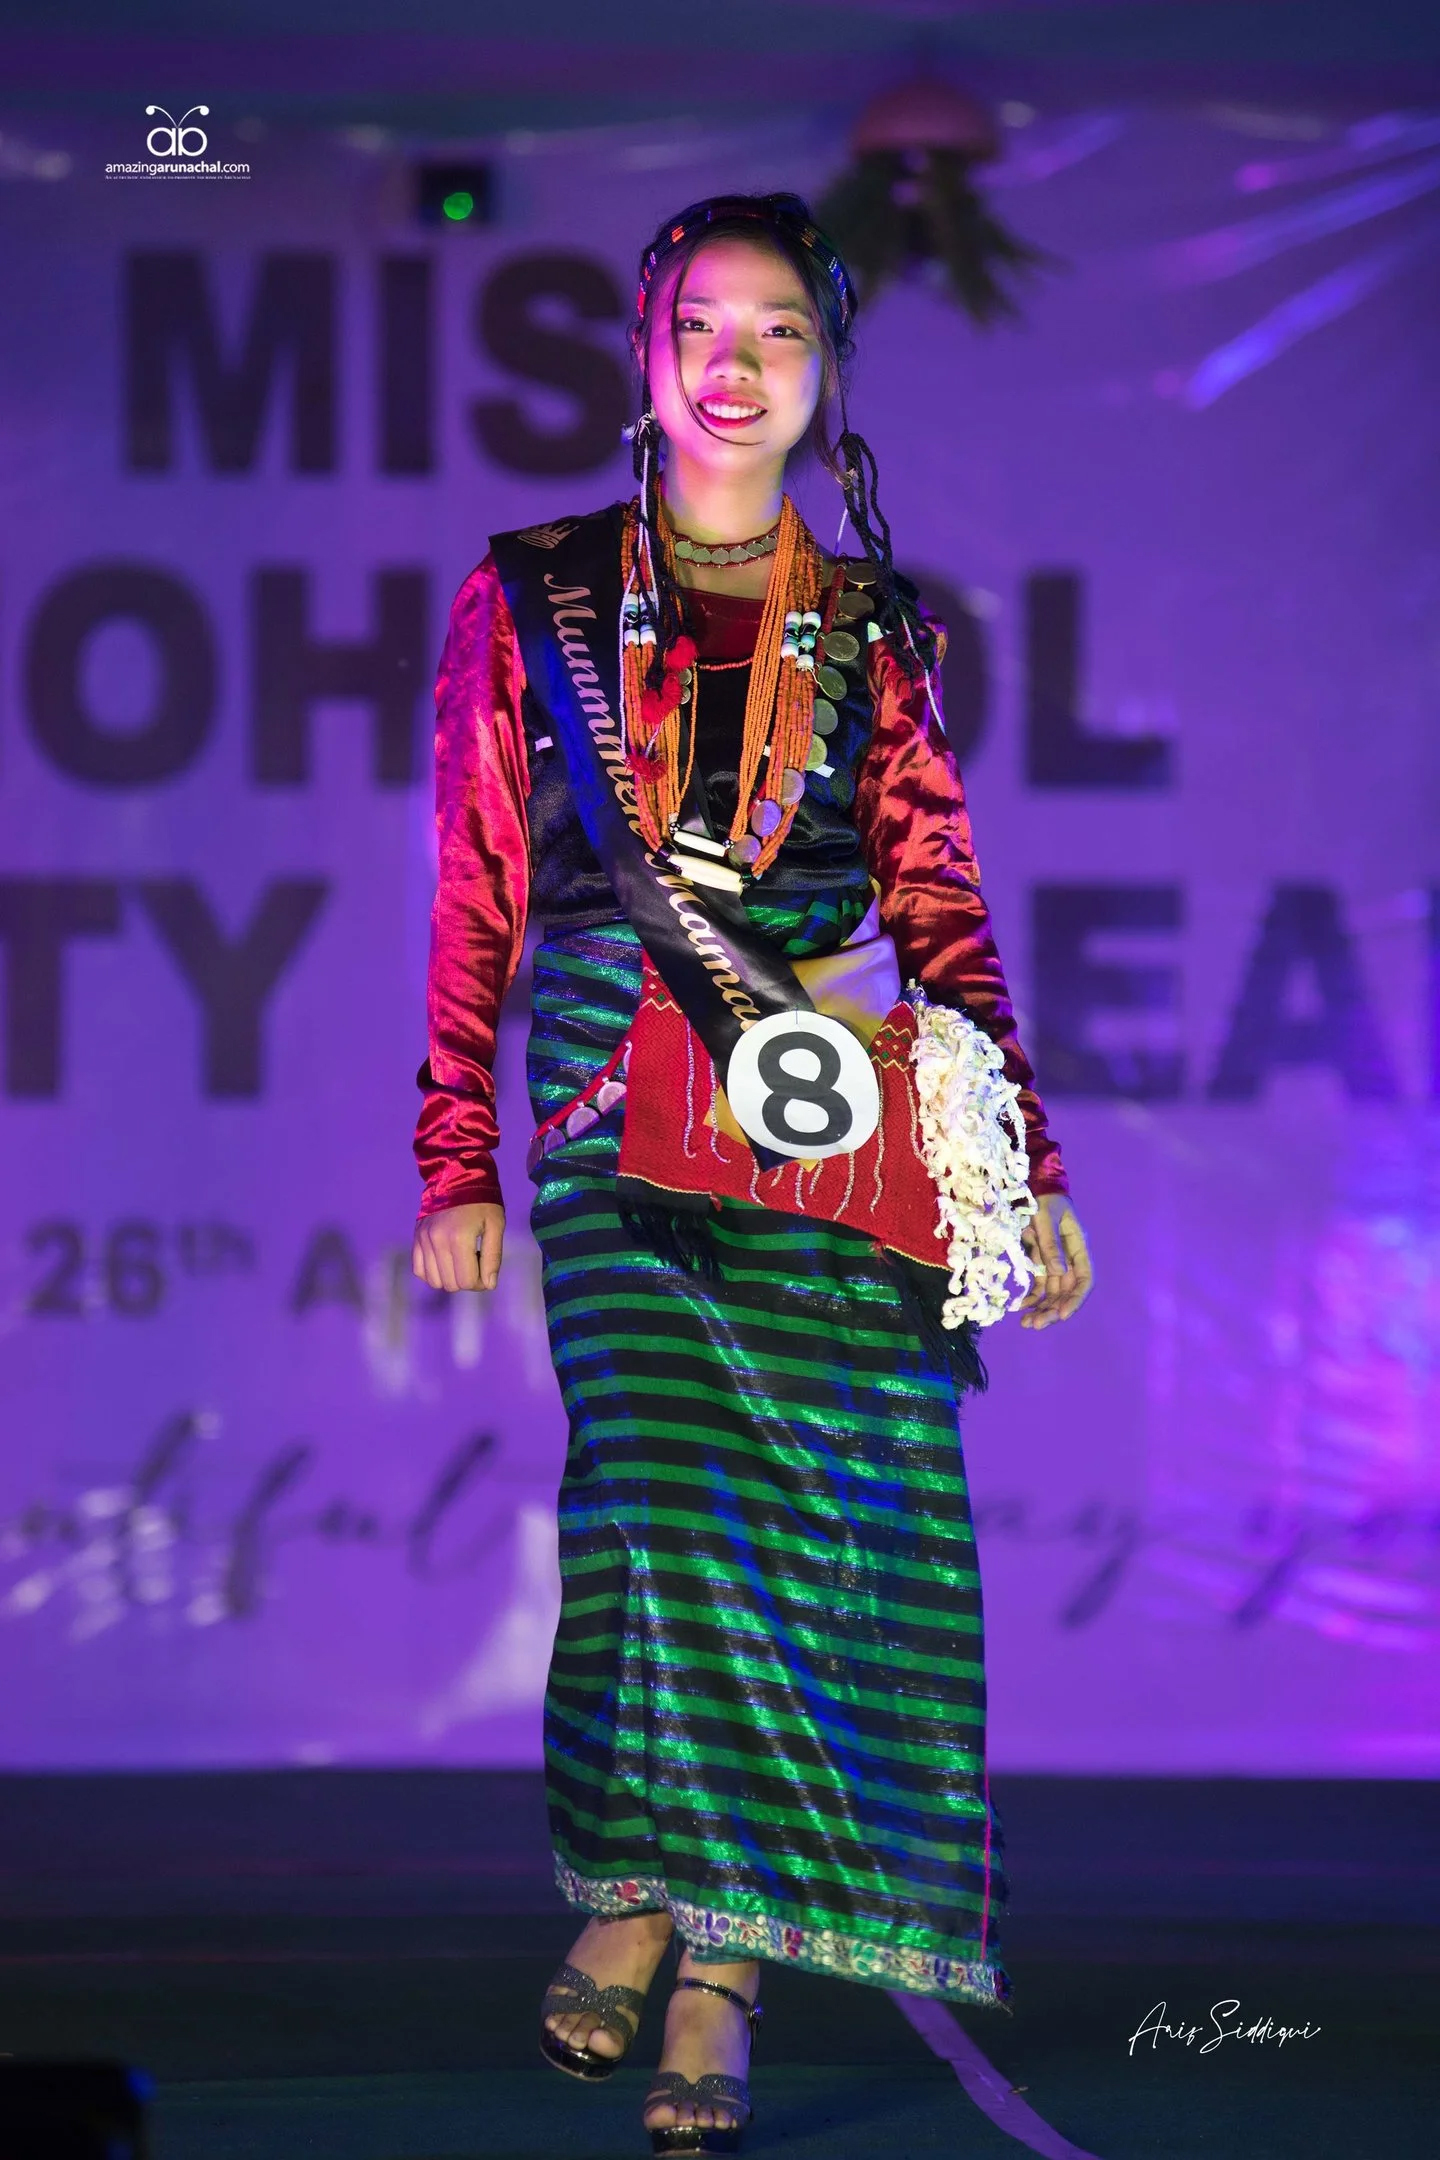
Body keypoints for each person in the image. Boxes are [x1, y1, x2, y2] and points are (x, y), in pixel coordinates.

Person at [411, 191, 1092, 2158]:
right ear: (645, 351)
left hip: (820, 1110)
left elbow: (941, 914)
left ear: (829, 371)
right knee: (666, 1501)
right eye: (702, 324)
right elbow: (476, 893)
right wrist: (453, 1152)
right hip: (606, 1104)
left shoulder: (875, 623)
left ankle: (713, 1961)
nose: (737, 363)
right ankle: (647, 1896)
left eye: (780, 330)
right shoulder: (532, 594)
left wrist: (1027, 1167)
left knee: (816, 1537)